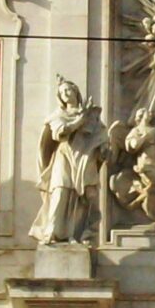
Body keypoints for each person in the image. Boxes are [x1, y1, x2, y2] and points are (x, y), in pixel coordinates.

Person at [32, 79, 107, 244]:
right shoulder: (58, 115)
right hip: (64, 157)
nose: (66, 94)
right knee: (60, 191)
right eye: (62, 92)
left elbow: (101, 136)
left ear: (75, 92)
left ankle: (75, 235)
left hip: (84, 159)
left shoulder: (90, 116)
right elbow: (59, 132)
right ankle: (51, 233)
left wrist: (102, 149)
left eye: (68, 90)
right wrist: (79, 121)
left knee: (81, 198)